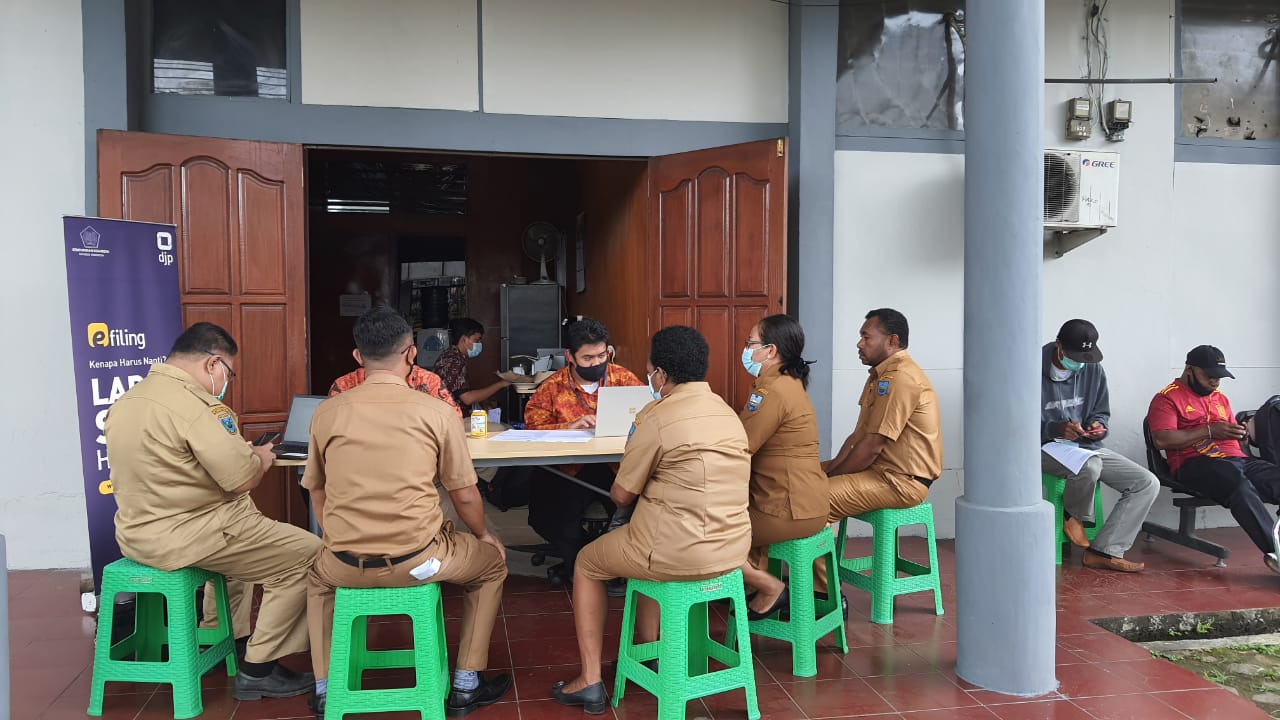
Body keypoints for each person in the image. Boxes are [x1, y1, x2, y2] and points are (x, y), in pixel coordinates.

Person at [304, 307, 511, 718]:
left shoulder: (327, 411)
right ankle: (466, 683)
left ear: (358, 356)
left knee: (318, 580)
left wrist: (335, 539)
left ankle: (326, 687)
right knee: (492, 566)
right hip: (419, 560)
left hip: (344, 562)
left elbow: (317, 489)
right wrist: (485, 536)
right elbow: (464, 495)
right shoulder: (435, 410)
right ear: (411, 353)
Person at [105, 322, 319, 701]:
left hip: (138, 535)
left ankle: (226, 639)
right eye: (228, 373)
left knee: (246, 554)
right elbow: (241, 479)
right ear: (213, 363)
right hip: (191, 535)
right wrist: (260, 457)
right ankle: (258, 669)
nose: (226, 382)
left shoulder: (129, 400)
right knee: (310, 555)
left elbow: (169, 468)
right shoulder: (195, 405)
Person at [550, 325, 752, 713]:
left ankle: (589, 680)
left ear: (660, 374)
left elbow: (621, 494)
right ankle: (648, 651)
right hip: (731, 549)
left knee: (588, 563)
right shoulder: (728, 412)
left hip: (675, 551)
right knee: (646, 547)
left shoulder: (657, 417)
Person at [522, 318, 644, 585]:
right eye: (587, 358)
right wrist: (568, 426)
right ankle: (582, 564)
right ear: (570, 356)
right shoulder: (552, 387)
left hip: (616, 466)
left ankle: (613, 565)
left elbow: (647, 416)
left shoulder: (624, 379)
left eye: (601, 355)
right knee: (551, 514)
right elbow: (532, 429)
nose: (596, 363)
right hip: (568, 469)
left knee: (635, 512)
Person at [1147, 345, 1280, 574]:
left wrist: (1241, 434)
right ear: (1189, 370)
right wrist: (1209, 431)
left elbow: (1232, 436)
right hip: (1194, 463)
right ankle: (1276, 553)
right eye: (1209, 375)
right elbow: (1161, 440)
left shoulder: (1220, 398)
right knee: (1237, 483)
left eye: (1219, 377)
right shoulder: (1166, 398)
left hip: (1237, 460)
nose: (1215, 382)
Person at [1040, 319, 1158, 572]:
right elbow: (1014, 424)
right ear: (1058, 345)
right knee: (1090, 466)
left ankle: (1104, 551)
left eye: (1085, 357)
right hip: (1040, 448)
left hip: (1082, 448)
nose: (1080, 363)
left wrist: (1097, 426)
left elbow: (1101, 412)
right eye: (1074, 357)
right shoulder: (1029, 369)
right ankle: (1072, 515)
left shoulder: (1092, 369)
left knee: (1146, 483)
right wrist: (1055, 428)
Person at [735, 315, 830, 619]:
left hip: (788, 511)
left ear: (771, 350)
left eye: (750, 343)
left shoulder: (772, 391)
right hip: (808, 505)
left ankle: (769, 587)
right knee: (741, 506)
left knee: (713, 529)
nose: (746, 350)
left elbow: (742, 447)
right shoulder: (787, 384)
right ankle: (747, 589)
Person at [328, 313, 463, 418]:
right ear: (412, 353)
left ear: (358, 356)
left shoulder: (343, 387)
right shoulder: (429, 382)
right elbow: (454, 425)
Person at [433, 317, 512, 407]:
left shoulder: (453, 355)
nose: (479, 344)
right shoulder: (454, 361)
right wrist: (501, 384)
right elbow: (468, 398)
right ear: (464, 339)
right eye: (476, 340)